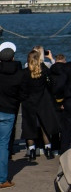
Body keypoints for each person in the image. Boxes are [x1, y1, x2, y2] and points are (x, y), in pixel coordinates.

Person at [21, 47, 60, 160]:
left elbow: (22, 89)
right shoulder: (43, 70)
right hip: (43, 101)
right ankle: (48, 149)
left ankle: (32, 150)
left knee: (29, 128)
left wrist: (23, 98)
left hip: (29, 102)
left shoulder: (25, 72)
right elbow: (52, 81)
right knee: (45, 127)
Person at [0, 42, 23, 189]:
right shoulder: (19, 74)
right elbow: (22, 93)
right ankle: (2, 179)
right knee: (3, 145)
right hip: (8, 110)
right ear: (13, 57)